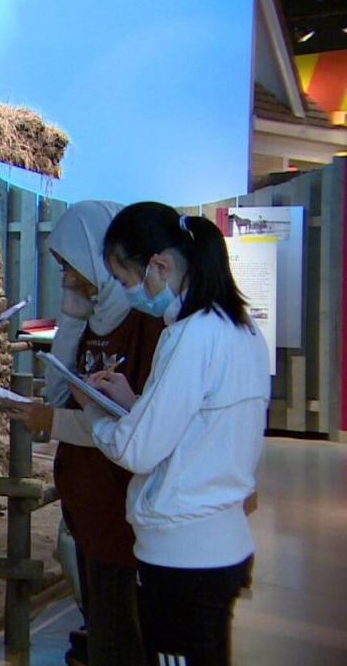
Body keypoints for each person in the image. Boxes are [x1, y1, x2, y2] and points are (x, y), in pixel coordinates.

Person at [72, 202, 269, 666]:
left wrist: (93, 412)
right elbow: (196, 430)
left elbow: (139, 451)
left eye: (125, 281)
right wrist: (134, 403)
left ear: (159, 266)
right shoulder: (241, 329)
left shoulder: (190, 336)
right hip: (222, 543)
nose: (129, 293)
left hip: (183, 554)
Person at [0, 201, 165, 666]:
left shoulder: (146, 323)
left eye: (71, 267)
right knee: (105, 630)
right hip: (90, 514)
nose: (67, 278)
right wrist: (70, 323)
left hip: (121, 520)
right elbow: (69, 393)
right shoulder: (91, 319)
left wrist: (49, 420)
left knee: (122, 640)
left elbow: (133, 425)